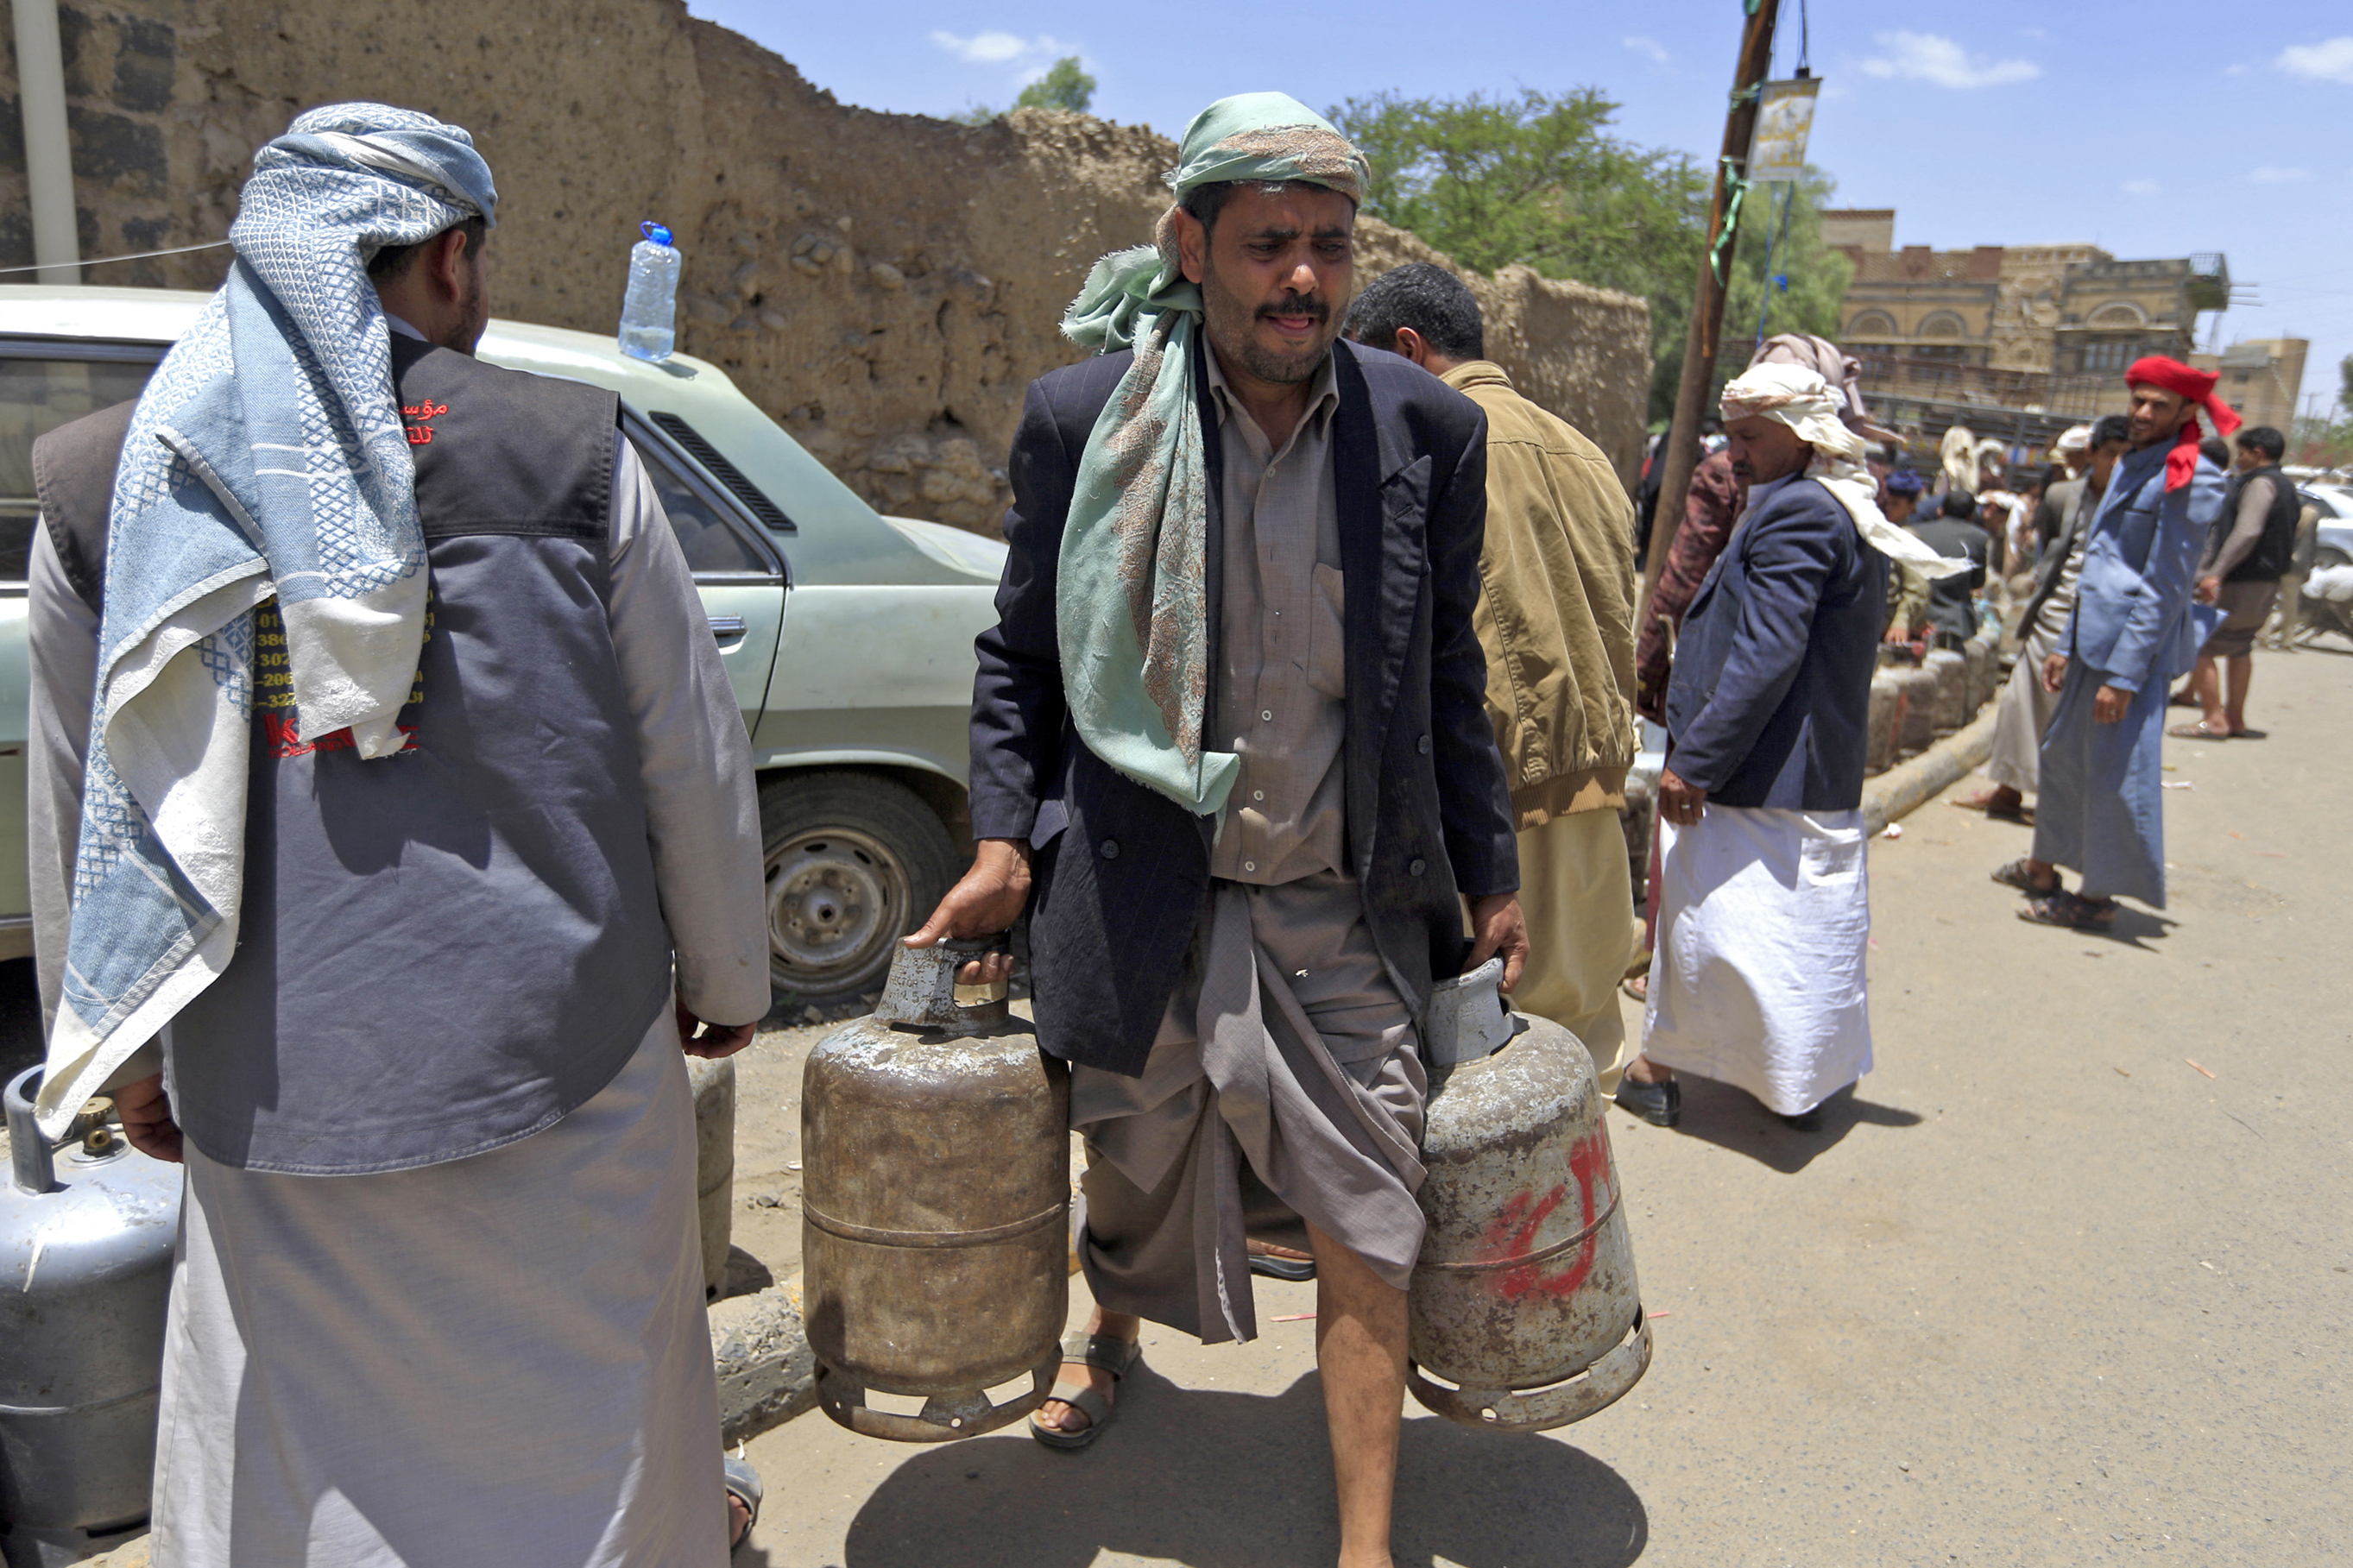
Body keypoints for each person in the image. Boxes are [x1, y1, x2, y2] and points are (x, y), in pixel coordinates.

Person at [25, 104, 770, 1564]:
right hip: (569, 1064)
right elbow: (691, 752)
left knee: (306, 1442)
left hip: (265, 1073)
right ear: (445, 256)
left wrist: (119, 1048)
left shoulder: (105, 484)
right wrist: (732, 979)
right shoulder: (570, 454)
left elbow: (84, 810)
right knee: (591, 1425)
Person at [902, 94, 1523, 1565]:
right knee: (1126, 1173)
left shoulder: (1423, 429)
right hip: (1141, 889)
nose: (1301, 276)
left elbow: (1446, 671)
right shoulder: (1080, 421)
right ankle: (1109, 1327)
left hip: (1338, 905)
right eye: (1266, 245)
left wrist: (1489, 870)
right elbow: (1023, 660)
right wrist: (1003, 838)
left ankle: (1364, 1539)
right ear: (1190, 246)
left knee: (1374, 1209)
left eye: (1326, 245)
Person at [1614, 364, 1965, 1131]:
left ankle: (1657, 1068)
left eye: (1749, 438)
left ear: (1802, 436)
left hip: (1761, 775)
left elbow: (1766, 655)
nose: (1731, 453)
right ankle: (1791, 1082)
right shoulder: (1819, 505)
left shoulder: (1799, 514)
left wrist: (1695, 759)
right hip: (1796, 777)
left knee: (1712, 930)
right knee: (1785, 939)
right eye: (1730, 435)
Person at [1344, 261, 1640, 1092]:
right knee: (1579, 1066)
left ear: (1406, 348)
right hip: (1597, 809)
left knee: (1475, 1081)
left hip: (1495, 817)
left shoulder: (1431, 439)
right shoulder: (1582, 448)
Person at [2004, 358, 2233, 929]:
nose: (2144, 413)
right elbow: (2099, 569)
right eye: (2139, 401)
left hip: (2130, 656)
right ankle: (2043, 866)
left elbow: (2164, 588)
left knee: (2112, 776)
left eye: (2159, 405)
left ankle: (2096, 896)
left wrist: (2126, 675)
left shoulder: (2194, 476)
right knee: (2062, 759)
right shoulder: (2132, 464)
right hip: (2090, 644)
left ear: (2187, 411)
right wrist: (2064, 641)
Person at [1955, 413, 2131, 822]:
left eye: (2127, 456)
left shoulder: (2139, 500)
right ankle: (2009, 790)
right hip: (2054, 614)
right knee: (2021, 702)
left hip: (2104, 619)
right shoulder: (2064, 495)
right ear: (2091, 454)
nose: (2118, 465)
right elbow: (2052, 553)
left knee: (2075, 715)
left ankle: (2064, 804)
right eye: (2110, 455)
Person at [2167, 425, 2297, 740]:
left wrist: (2217, 572)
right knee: (2240, 646)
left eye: (2242, 452)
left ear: (2258, 453)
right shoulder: (2286, 485)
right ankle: (2235, 718)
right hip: (2265, 581)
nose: (2238, 458)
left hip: (2240, 581)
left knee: (2200, 644)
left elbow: (2248, 530)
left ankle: (2214, 719)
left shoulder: (2260, 483)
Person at [1906, 490, 1990, 645]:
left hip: (1913, 618)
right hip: (1954, 622)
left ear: (1940, 511)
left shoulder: (1915, 530)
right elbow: (1977, 582)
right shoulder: (1980, 537)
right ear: (1971, 516)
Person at [2259, 485, 2324, 652]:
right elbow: (2310, 545)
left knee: (2269, 600)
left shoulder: (2279, 509)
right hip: (2297, 565)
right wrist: (2308, 567)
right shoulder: (2311, 514)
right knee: (2291, 603)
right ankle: (2287, 639)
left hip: (2277, 561)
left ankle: (2263, 635)